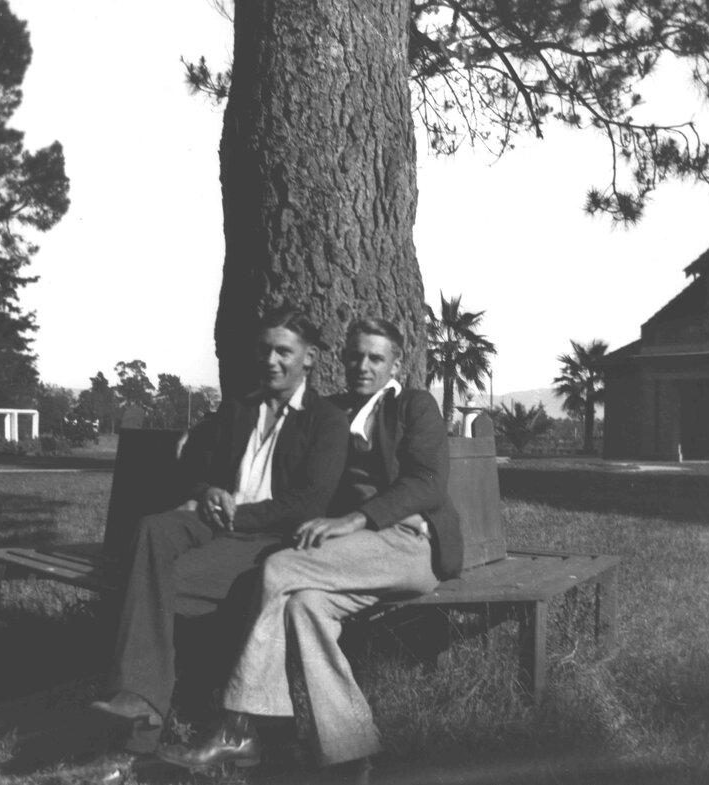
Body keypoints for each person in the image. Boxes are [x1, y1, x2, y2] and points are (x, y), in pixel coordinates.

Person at [158, 317, 465, 772]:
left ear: (395, 364)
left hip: (408, 544)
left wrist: (356, 519)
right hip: (351, 554)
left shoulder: (413, 407)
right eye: (355, 356)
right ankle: (351, 754)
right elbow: (257, 420)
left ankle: (239, 730)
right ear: (341, 359)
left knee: (280, 569)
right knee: (305, 607)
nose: (363, 366)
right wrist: (199, 435)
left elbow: (428, 483)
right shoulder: (332, 412)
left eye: (376, 358)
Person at [91, 307, 350, 754]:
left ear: (308, 358)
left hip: (266, 537)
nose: (271, 360)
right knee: (152, 528)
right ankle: (138, 697)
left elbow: (309, 504)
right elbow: (192, 470)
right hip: (214, 521)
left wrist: (237, 517)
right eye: (265, 349)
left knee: (154, 587)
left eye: (283, 351)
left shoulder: (325, 421)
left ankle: (142, 715)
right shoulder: (239, 407)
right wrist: (208, 489)